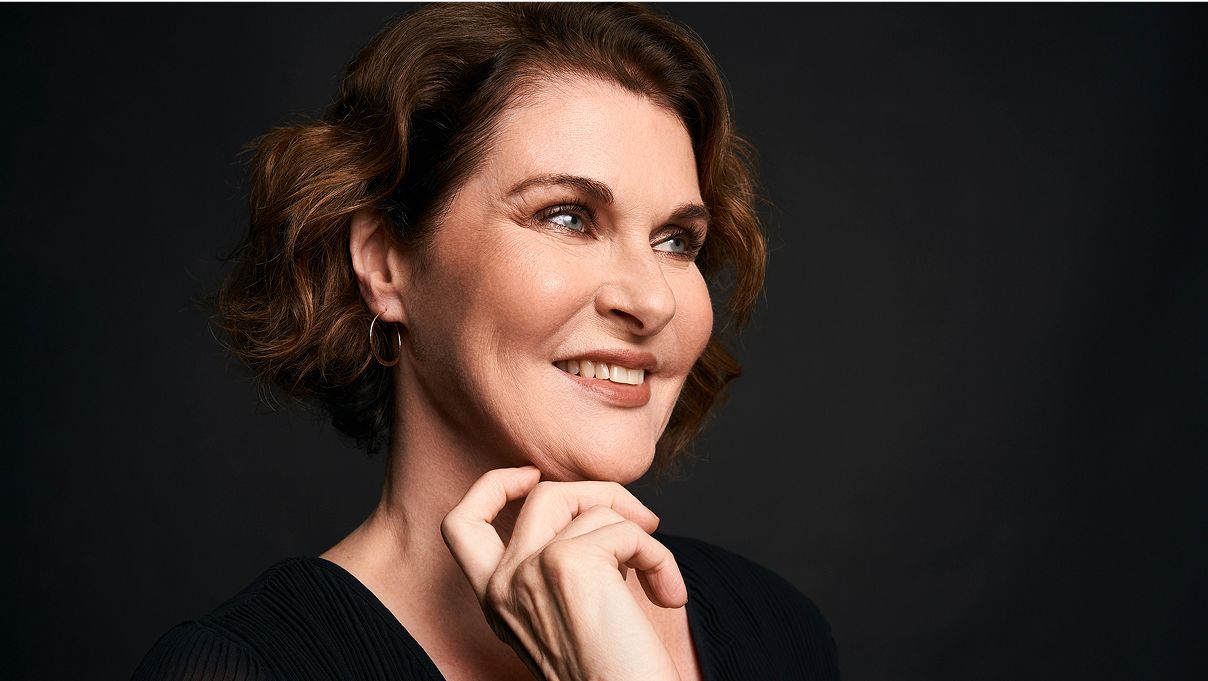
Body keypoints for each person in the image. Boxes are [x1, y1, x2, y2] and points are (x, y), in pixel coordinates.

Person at [133, 4, 839, 680]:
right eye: (567, 217)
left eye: (676, 240)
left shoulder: (774, 626)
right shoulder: (242, 668)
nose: (653, 300)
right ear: (385, 263)